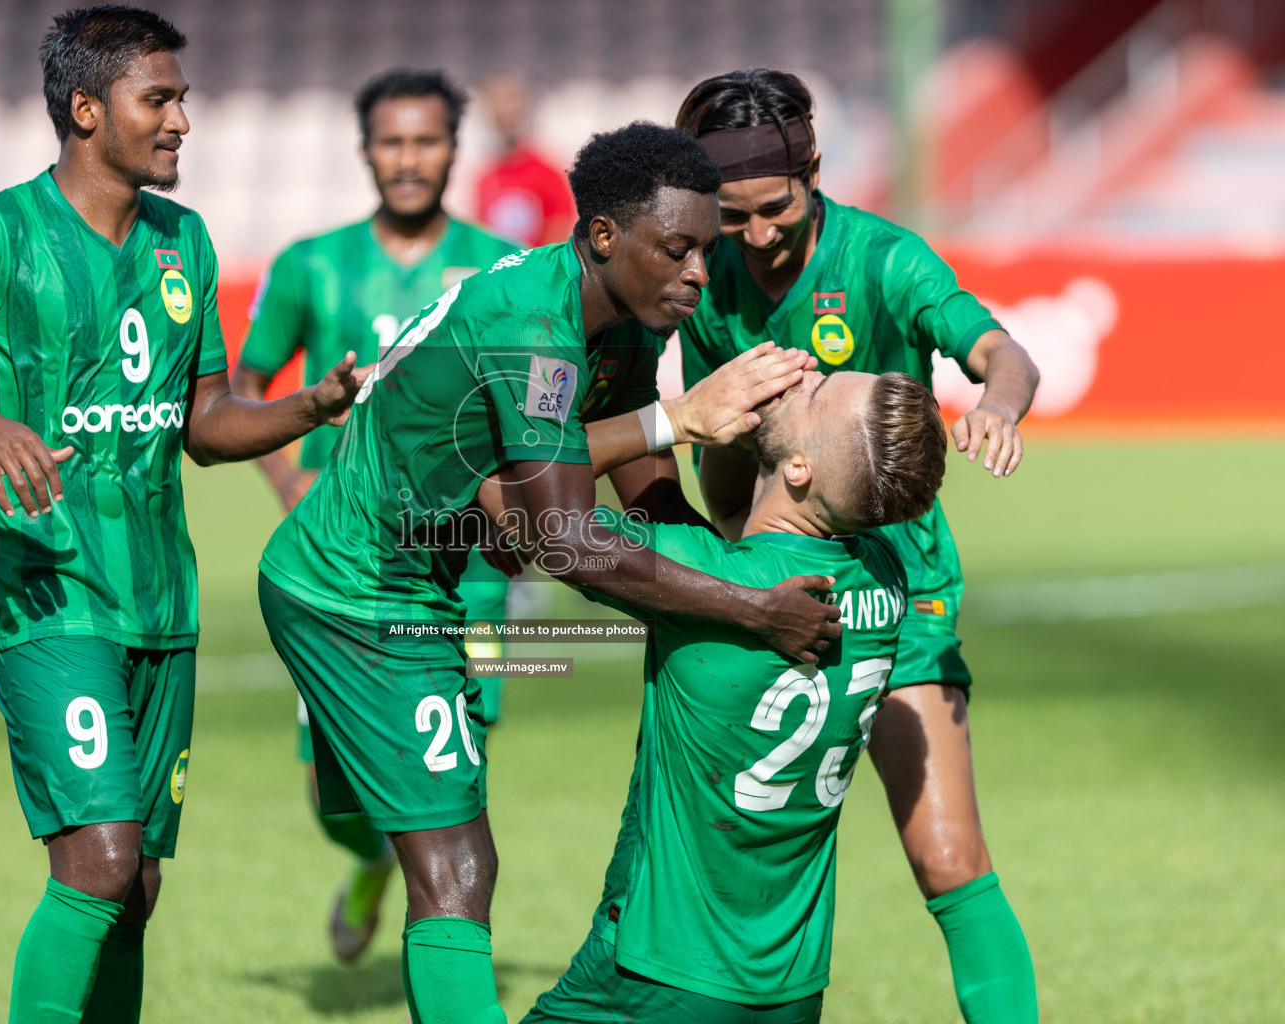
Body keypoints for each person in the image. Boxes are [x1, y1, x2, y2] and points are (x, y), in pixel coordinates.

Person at [258, 121, 842, 1024]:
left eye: (705, 252)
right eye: (677, 250)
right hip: (353, 594)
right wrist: (752, 610)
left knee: (436, 851)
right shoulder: (533, 326)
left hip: (426, 584)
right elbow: (566, 541)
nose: (698, 274)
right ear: (604, 236)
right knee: (455, 867)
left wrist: (724, 580)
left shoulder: (628, 314)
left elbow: (647, 497)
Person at [0, 7, 364, 1021]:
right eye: (161, 99)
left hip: (162, 606)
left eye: (183, 98)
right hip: (48, 600)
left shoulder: (184, 239)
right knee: (98, 862)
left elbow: (207, 418)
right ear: (87, 109)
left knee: (135, 886)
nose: (183, 119)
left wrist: (306, 408)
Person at [674, 69, 1040, 1023]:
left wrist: (997, 408)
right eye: (732, 215)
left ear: (816, 171)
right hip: (767, 591)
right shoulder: (704, 286)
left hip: (898, 593)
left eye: (775, 210)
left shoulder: (884, 259)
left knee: (949, 861)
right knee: (738, 874)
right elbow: (718, 462)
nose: (755, 236)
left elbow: (1001, 352)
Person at [522, 368, 949, 1024]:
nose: (802, 373)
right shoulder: (884, 572)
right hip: (790, 986)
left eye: (813, 391)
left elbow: (512, 495)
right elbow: (732, 520)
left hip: (658, 970)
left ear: (800, 468)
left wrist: (675, 419)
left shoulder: (706, 572)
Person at [230, 68, 519, 962]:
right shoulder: (312, 264)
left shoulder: (502, 269)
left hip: (462, 569)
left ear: (452, 149)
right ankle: (370, 865)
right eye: (391, 142)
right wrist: (289, 483)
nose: (407, 159)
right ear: (365, 151)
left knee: (447, 776)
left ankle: (444, 947)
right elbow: (243, 387)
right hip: (346, 566)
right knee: (336, 795)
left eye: (425, 140)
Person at [473, 73, 574, 248]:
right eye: (496, 103)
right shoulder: (486, 178)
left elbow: (558, 235)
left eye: (510, 101)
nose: (504, 110)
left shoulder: (547, 173)